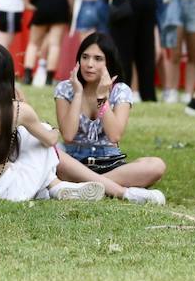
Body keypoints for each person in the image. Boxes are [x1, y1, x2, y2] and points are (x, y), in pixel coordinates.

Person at [0, 43, 104, 203]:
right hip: (2, 191)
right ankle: (55, 186)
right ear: (9, 75)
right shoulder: (17, 110)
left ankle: (56, 187)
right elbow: (51, 141)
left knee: (26, 139)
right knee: (42, 133)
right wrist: (52, 128)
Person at [54, 32, 167, 193]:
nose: (89, 64)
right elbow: (68, 135)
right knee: (51, 153)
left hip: (110, 163)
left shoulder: (120, 90)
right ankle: (105, 186)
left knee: (156, 166)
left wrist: (102, 98)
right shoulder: (65, 88)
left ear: (109, 62)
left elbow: (115, 136)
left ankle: (82, 185)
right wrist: (78, 93)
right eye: (85, 57)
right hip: (72, 161)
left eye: (98, 59)